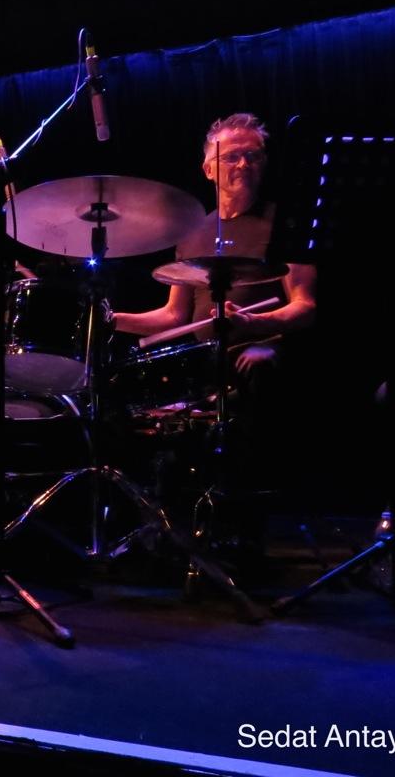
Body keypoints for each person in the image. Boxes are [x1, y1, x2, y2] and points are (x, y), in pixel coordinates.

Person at [113, 113, 319, 557]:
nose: (244, 164)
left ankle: (241, 525)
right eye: (233, 156)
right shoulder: (193, 232)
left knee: (257, 364)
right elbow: (174, 316)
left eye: (254, 156)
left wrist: (255, 326)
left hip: (261, 349)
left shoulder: (285, 226)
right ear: (209, 169)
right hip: (205, 359)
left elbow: (304, 306)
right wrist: (112, 319)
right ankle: (159, 528)